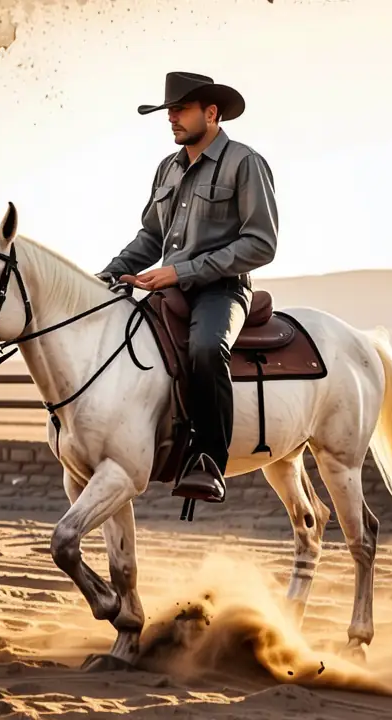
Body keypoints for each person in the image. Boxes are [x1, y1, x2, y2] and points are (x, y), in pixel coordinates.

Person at [96, 71, 279, 504]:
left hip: (223, 290)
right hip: (169, 289)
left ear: (211, 113)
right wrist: (106, 275)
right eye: (169, 111)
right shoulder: (168, 168)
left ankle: (209, 461)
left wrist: (182, 272)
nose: (171, 118)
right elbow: (150, 238)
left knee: (204, 348)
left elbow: (261, 243)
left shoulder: (244, 163)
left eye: (180, 110)